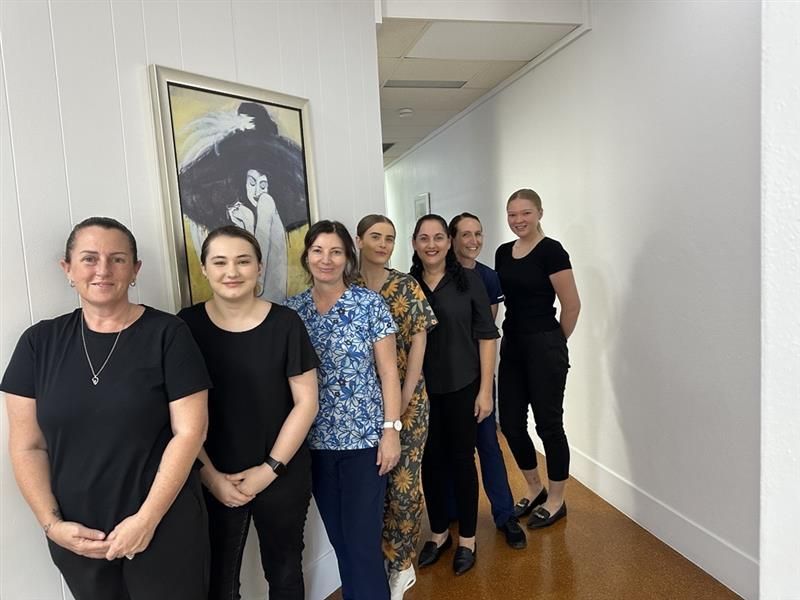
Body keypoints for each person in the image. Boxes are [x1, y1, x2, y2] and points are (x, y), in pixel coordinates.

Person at [1, 217, 211, 600]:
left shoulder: (168, 334)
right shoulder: (37, 344)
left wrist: (146, 520)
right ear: (68, 269)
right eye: (89, 258)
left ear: (135, 270)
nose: (102, 269)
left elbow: (190, 431)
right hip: (77, 533)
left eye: (117, 259)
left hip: (163, 522)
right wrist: (51, 525)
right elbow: (28, 446)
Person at [178, 226, 319, 600]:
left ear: (259, 266)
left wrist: (268, 470)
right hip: (210, 472)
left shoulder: (286, 324)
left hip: (282, 472)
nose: (232, 271)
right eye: (220, 262)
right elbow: (179, 416)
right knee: (220, 582)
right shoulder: (184, 328)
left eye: (243, 261)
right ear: (204, 269)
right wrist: (211, 478)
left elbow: (306, 403)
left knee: (285, 572)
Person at [287, 220, 402, 600]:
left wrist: (391, 431)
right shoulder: (293, 311)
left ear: (347, 257)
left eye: (335, 251)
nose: (326, 259)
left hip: (365, 443)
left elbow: (388, 372)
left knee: (362, 545)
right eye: (318, 250)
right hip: (315, 445)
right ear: (306, 256)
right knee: (341, 542)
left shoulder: (369, 303)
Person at [410, 214, 499, 576]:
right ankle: (438, 533)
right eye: (423, 238)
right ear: (415, 244)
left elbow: (487, 336)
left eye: (438, 237)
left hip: (464, 387)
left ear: (449, 242)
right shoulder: (407, 285)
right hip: (421, 393)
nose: (431, 244)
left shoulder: (470, 282)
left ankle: (467, 539)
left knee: (462, 462)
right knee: (429, 464)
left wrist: (485, 391)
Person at [355, 215, 438, 599]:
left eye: (389, 238)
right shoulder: (346, 285)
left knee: (403, 486)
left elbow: (419, 343)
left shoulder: (406, 285)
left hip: (408, 400)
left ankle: (402, 563)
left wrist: (404, 397)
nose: (383, 244)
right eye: (375, 237)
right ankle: (376, 557)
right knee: (373, 487)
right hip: (362, 405)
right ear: (359, 240)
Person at [494, 189, 581, 529]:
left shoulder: (552, 251)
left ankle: (558, 499)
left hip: (545, 344)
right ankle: (535, 487)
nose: (519, 220)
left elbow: (571, 305)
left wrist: (555, 341)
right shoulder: (503, 253)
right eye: (512, 214)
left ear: (539, 213)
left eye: (525, 213)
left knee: (548, 425)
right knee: (512, 424)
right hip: (512, 344)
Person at [448, 212, 526, 549]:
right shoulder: (434, 274)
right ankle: (452, 510)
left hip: (477, 379)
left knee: (488, 447)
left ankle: (505, 515)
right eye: (465, 234)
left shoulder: (489, 278)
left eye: (478, 234)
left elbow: (485, 335)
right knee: (451, 450)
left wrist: (485, 388)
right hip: (444, 381)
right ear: (452, 239)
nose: (473, 241)